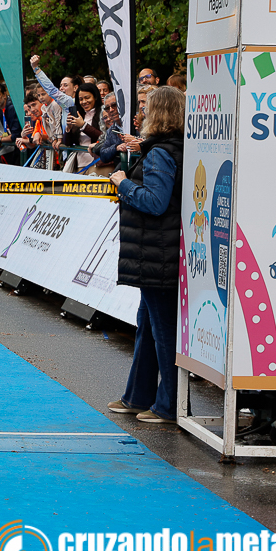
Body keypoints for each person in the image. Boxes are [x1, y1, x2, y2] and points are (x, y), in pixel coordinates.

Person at [107, 86, 185, 424]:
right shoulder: (172, 148)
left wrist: (123, 184)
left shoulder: (161, 153)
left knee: (162, 330)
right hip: (159, 251)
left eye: (146, 108)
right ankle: (138, 396)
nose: (142, 114)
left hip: (157, 253)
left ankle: (169, 405)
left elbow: (155, 202)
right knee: (148, 326)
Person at [62, 83, 103, 171]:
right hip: (80, 163)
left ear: (95, 97)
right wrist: (69, 128)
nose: (84, 102)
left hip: (98, 163)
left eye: (87, 98)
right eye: (81, 99)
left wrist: (83, 126)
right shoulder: (79, 115)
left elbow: (103, 137)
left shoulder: (103, 114)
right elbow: (67, 143)